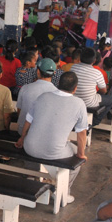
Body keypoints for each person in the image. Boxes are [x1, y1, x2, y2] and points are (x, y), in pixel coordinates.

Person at [16, 72, 87, 202]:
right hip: (54, 151)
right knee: (77, 160)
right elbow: (82, 133)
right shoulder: (79, 103)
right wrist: (81, 154)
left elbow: (28, 120)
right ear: (75, 88)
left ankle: (33, 176)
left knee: (40, 144)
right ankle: (62, 193)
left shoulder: (43, 96)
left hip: (29, 147)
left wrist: (22, 138)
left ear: (58, 84)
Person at [72, 48, 112, 126]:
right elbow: (104, 91)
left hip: (75, 99)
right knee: (111, 100)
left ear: (80, 58)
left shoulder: (73, 67)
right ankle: (94, 122)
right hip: (89, 102)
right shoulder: (97, 73)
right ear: (94, 60)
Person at [16, 58, 57, 133]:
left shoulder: (25, 88)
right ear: (54, 73)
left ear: (38, 71)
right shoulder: (56, 93)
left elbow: (19, 110)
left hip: (23, 130)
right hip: (42, 134)